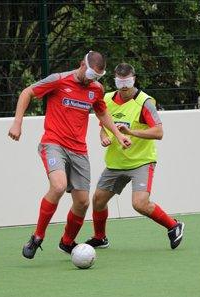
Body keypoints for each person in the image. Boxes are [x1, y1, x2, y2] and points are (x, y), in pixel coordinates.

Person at [8, 52, 131, 259]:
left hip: (79, 150)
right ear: (82, 65)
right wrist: (17, 122)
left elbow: (101, 112)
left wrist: (118, 134)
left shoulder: (96, 89)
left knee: (83, 202)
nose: (93, 79)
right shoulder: (58, 80)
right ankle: (37, 237)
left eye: (98, 76)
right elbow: (27, 92)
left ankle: (66, 242)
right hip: (53, 143)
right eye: (91, 73)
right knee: (58, 185)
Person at [86, 63, 185, 250]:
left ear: (134, 79)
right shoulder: (106, 99)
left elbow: (159, 132)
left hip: (141, 161)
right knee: (98, 200)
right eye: (119, 81)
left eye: (127, 81)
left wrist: (130, 132)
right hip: (116, 162)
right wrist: (105, 136)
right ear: (114, 80)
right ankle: (100, 238)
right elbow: (103, 126)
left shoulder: (145, 102)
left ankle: (174, 225)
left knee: (139, 204)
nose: (123, 86)